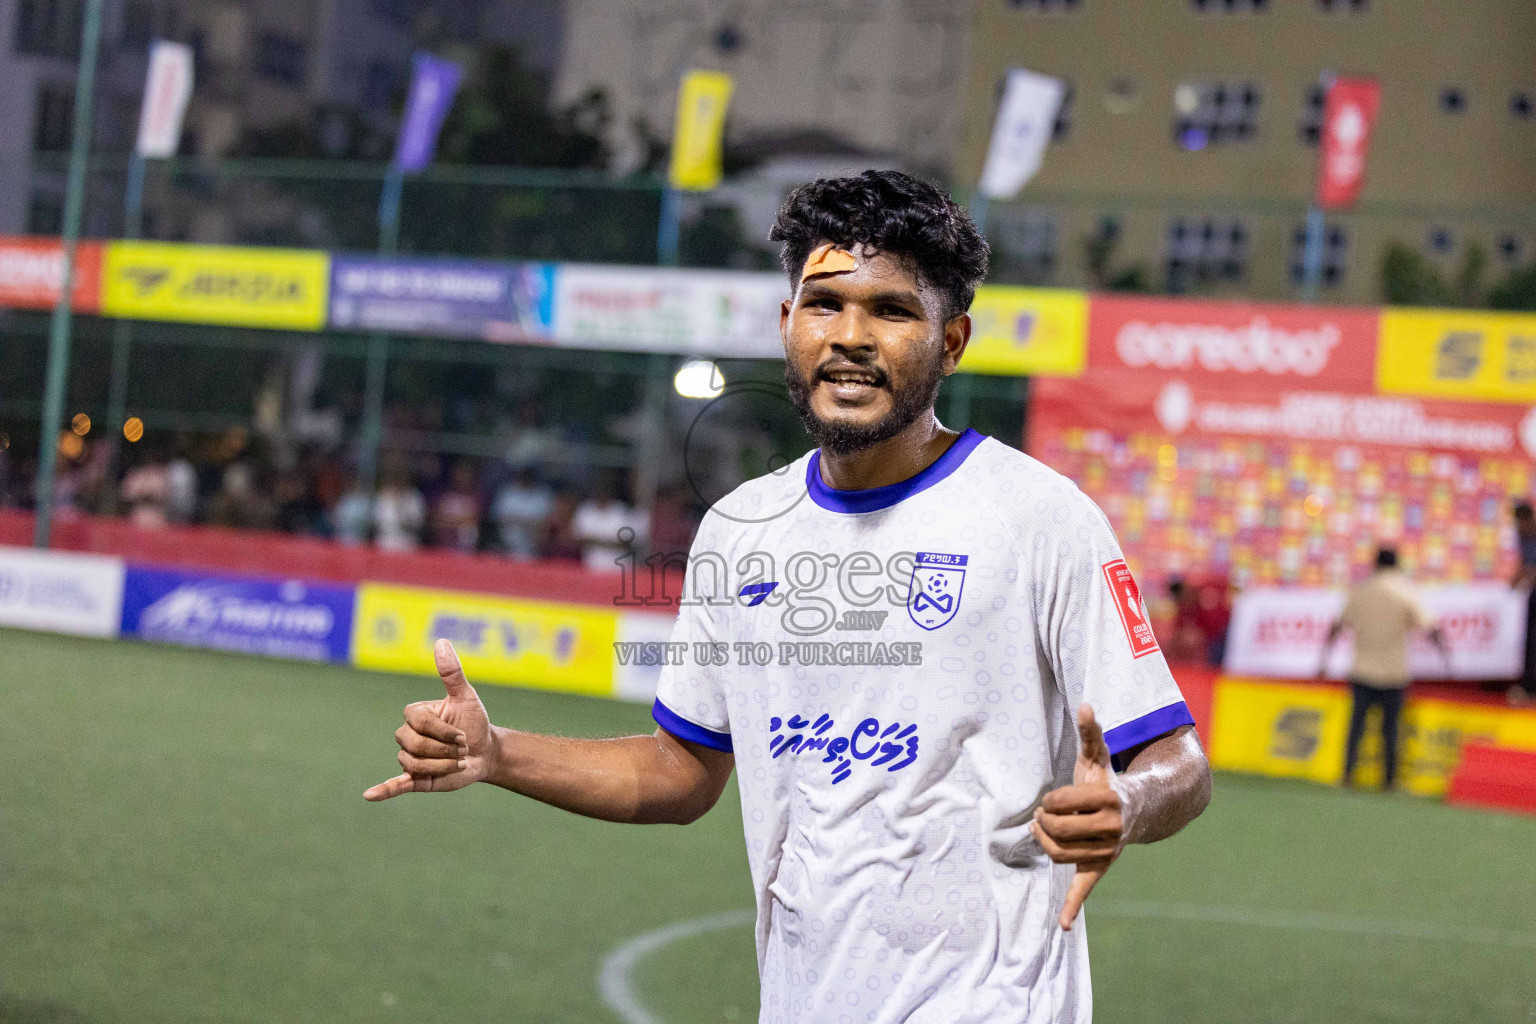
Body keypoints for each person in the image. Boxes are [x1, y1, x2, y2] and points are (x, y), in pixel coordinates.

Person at [365, 170, 1211, 1023]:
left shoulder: (1042, 520)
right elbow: (682, 770)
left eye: (892, 310)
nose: (851, 336)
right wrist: (501, 754)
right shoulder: (741, 529)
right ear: (786, 325)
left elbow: (1177, 760)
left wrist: (1129, 803)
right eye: (824, 303)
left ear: (951, 342)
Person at [1318, 547, 1449, 790]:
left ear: (1375, 564)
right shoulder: (1406, 592)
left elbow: (1337, 626)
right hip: (1394, 670)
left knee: (1356, 727)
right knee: (1391, 729)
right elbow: (1431, 627)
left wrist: (1323, 660)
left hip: (1362, 669)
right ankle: (1389, 781)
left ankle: (1347, 775)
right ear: (1397, 565)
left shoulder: (1361, 591)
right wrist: (1447, 660)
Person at [1510, 502, 1536, 705]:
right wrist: (1516, 579)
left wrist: (1525, 574)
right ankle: (1528, 686)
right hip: (1533, 592)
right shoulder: (1521, 535)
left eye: (1521, 522)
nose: (1519, 526)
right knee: (1529, 641)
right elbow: (1524, 563)